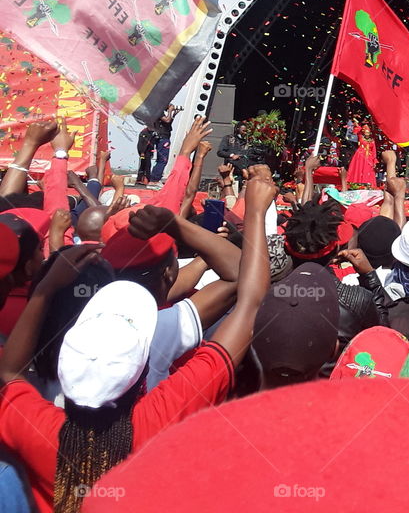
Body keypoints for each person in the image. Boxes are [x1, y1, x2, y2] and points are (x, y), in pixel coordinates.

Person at [0, 167, 275, 513]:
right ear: (140, 373)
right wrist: (256, 212)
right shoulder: (158, 418)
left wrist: (44, 290)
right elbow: (249, 305)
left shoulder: (35, 430)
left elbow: (10, 373)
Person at [149, 104, 180, 183]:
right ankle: (154, 180)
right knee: (163, 160)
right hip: (163, 139)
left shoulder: (159, 112)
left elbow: (167, 123)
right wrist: (169, 111)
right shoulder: (158, 112)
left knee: (161, 160)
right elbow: (167, 120)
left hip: (163, 138)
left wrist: (173, 115)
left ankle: (154, 179)